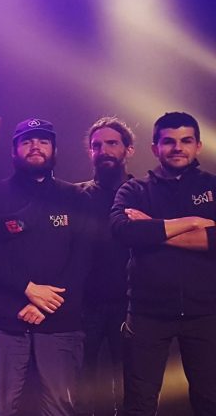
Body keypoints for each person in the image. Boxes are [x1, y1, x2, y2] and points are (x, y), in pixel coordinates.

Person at [0, 119, 91, 415]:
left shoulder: (75, 196)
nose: (35, 147)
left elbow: (82, 258)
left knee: (60, 408)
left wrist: (45, 303)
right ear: (13, 151)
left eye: (43, 141)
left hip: (59, 319)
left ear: (54, 149)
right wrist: (27, 290)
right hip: (6, 318)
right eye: (27, 142)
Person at [110, 112, 216, 415]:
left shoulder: (213, 186)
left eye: (186, 140)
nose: (177, 148)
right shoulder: (134, 190)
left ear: (198, 145)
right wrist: (192, 222)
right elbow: (123, 231)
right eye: (169, 141)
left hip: (206, 311)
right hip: (147, 312)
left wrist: (154, 228)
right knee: (139, 404)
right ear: (155, 148)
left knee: (210, 400)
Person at [75, 117, 135, 416]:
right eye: (96, 145)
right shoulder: (76, 196)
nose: (104, 150)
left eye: (112, 143)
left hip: (130, 304)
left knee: (129, 383)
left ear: (128, 149)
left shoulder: (142, 193)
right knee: (82, 382)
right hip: (85, 305)